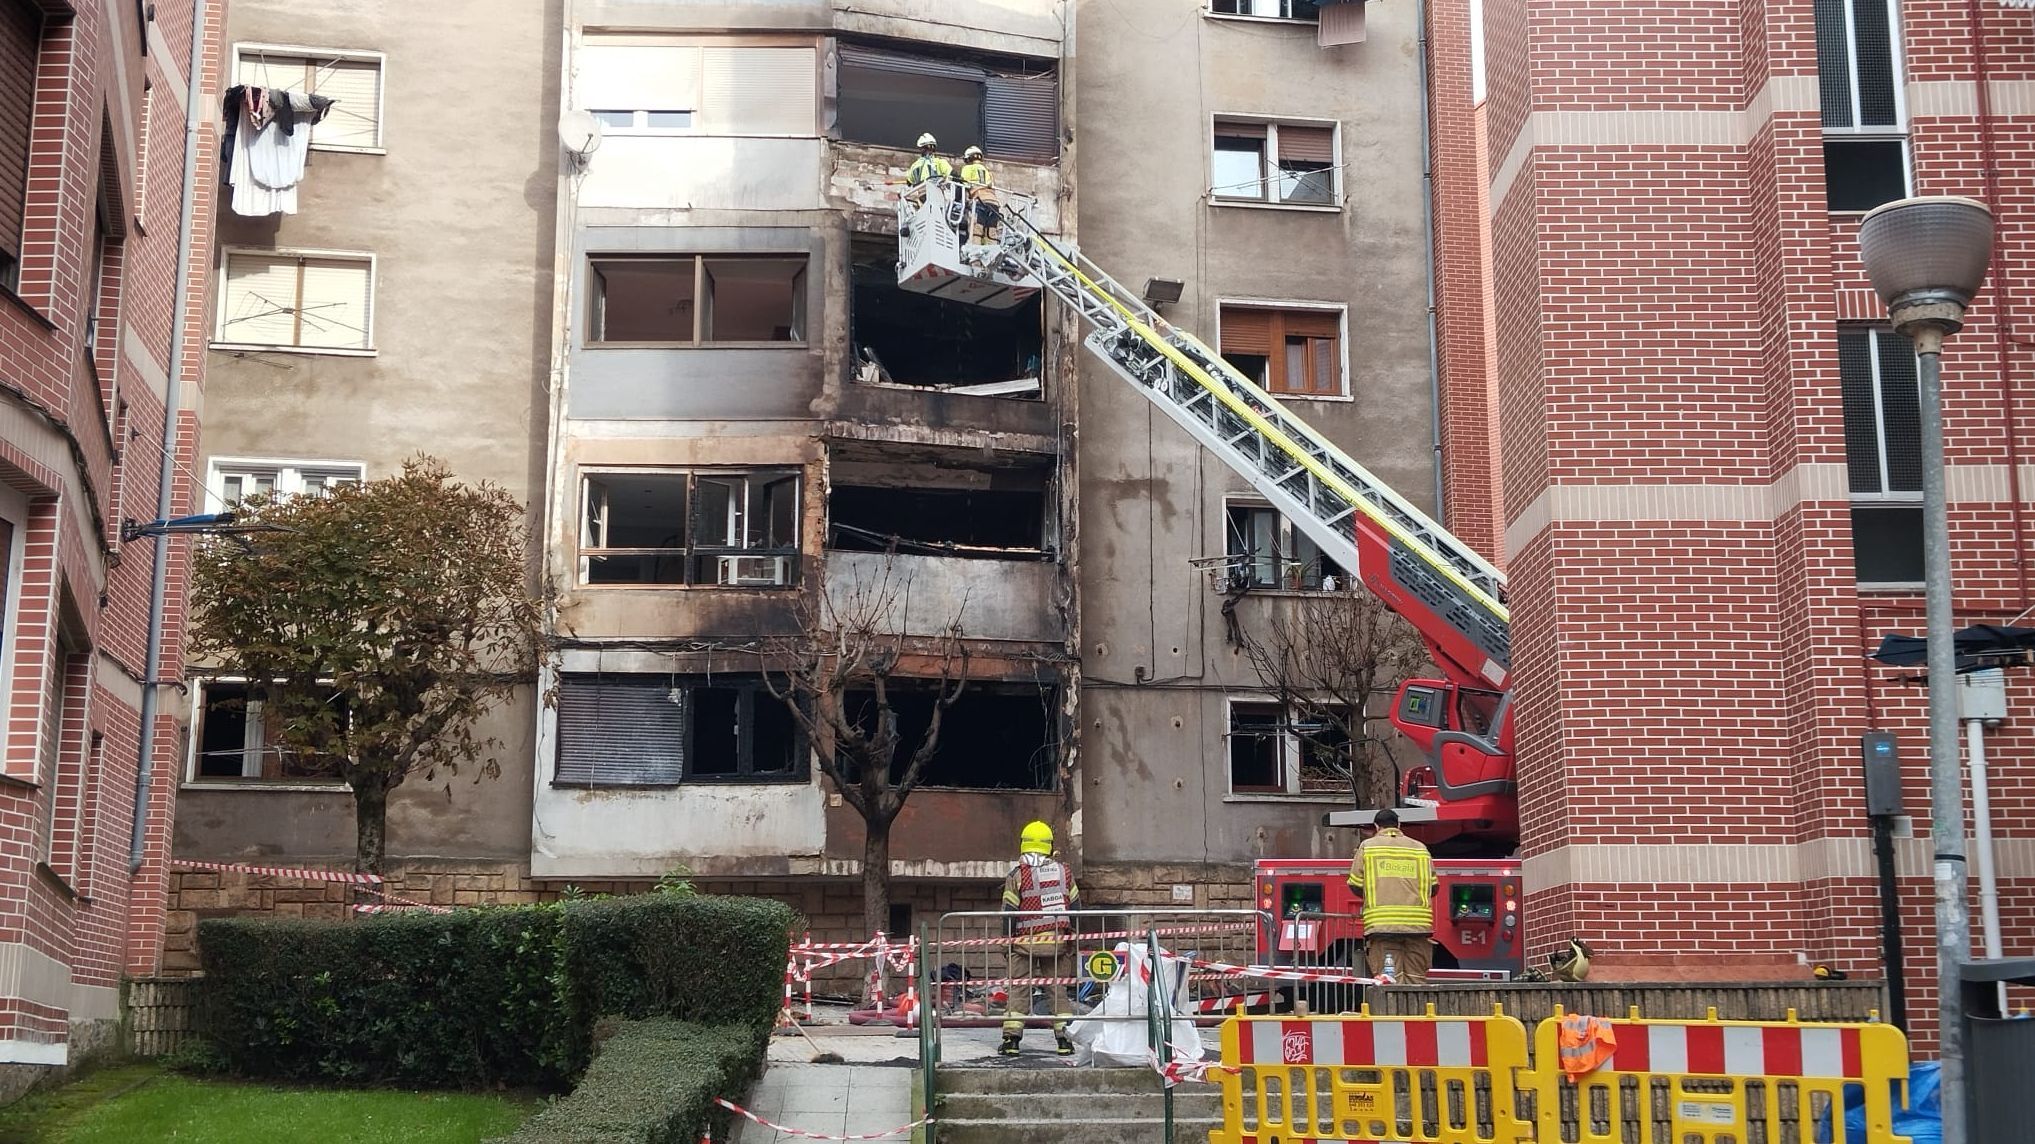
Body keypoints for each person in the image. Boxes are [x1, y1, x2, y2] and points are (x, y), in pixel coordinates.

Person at [1001, 820, 1079, 1056]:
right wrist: (1072, 939)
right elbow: (1076, 908)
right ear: (1049, 845)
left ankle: (1012, 1042)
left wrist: (1006, 942)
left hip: (1024, 943)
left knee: (1019, 989)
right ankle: (1065, 1041)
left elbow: (1009, 912)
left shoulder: (1017, 874)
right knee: (1057, 990)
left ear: (1024, 844)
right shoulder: (1064, 872)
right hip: (1056, 942)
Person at [1348, 808, 1437, 986]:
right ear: (1399, 825)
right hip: (1418, 927)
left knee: (1389, 982)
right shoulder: (1420, 848)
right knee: (1416, 981)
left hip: (1383, 927)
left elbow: (1355, 884)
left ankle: (1394, 1014)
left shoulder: (1368, 846)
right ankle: (1416, 1013)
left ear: (1376, 826)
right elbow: (1433, 887)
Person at [958, 145, 1002, 247]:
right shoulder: (988, 172)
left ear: (969, 158)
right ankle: (991, 257)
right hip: (994, 204)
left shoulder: (968, 168)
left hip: (979, 202)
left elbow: (963, 184)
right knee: (991, 234)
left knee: (976, 232)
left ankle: (975, 260)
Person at [905, 132, 952, 202]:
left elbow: (909, 181)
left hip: (922, 196)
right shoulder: (940, 162)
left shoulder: (914, 166)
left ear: (921, 149)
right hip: (937, 194)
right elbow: (952, 174)